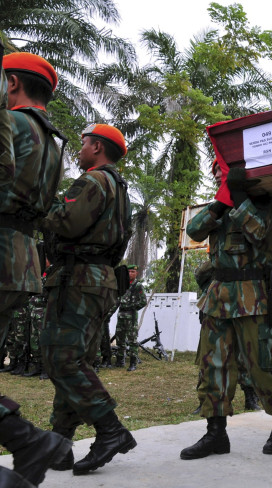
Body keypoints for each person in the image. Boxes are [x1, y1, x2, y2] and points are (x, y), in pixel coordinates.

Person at [40, 122, 136, 474]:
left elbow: (67, 223)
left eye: (83, 145)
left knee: (61, 358)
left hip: (79, 277)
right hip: (98, 278)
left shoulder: (93, 181)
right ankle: (60, 444)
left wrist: (44, 211)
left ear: (97, 147)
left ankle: (110, 430)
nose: (79, 150)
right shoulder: (119, 187)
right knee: (74, 359)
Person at [183, 159, 272, 461]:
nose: (220, 174)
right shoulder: (217, 205)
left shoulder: (261, 202)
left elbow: (259, 232)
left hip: (253, 297)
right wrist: (221, 203)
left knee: (263, 364)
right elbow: (194, 230)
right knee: (213, 365)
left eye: (226, 169)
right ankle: (215, 433)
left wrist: (240, 197)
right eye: (217, 170)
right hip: (219, 295)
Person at [0, 51, 73, 485]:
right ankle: (29, 442)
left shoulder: (11, 122)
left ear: (11, 84)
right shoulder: (51, 139)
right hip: (22, 256)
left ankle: (29, 440)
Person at [115, 264, 147, 371]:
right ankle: (120, 360)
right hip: (121, 315)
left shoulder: (138, 286)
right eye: (129, 272)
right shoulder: (122, 285)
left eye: (133, 272)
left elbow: (143, 301)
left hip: (131, 316)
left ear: (136, 273)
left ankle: (133, 363)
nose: (130, 274)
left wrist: (133, 307)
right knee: (120, 338)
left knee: (132, 339)